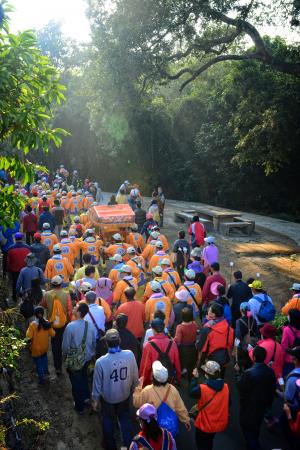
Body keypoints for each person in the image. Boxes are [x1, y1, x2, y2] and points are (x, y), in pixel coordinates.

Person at [92, 329, 139, 450]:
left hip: (108, 399)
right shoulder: (129, 354)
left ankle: (111, 445)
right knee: (125, 420)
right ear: (120, 341)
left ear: (106, 343)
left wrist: (95, 400)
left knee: (107, 422)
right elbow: (135, 377)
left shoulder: (100, 362)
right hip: (124, 395)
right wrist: (134, 390)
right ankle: (128, 445)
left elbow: (97, 385)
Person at [133, 361, 190, 436]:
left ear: (153, 377)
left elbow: (136, 403)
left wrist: (138, 388)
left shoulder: (147, 390)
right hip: (170, 429)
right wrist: (186, 420)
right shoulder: (172, 389)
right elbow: (180, 408)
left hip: (154, 427)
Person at [237, 346, 276, 450]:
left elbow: (240, 387)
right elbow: (272, 389)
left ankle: (253, 445)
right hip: (262, 405)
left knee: (246, 427)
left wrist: (238, 373)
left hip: (249, 406)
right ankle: (252, 443)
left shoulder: (249, 373)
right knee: (256, 426)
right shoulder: (270, 372)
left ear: (253, 357)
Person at [62, 303, 95, 414]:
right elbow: (93, 342)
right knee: (84, 377)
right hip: (87, 358)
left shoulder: (70, 326)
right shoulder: (89, 325)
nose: (74, 309)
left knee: (76, 383)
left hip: (75, 359)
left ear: (79, 312)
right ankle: (86, 399)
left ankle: (79, 407)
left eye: (75, 308)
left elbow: (65, 346)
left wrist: (65, 358)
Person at [190, 361, 229, 450]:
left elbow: (191, 392)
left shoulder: (203, 388)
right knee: (209, 441)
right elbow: (228, 402)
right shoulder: (226, 387)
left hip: (204, 423)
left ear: (206, 374)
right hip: (217, 422)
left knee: (201, 442)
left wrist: (194, 378)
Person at [41, 275, 72, 375]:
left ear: (52, 284)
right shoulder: (66, 294)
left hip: (52, 323)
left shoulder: (46, 294)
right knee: (65, 342)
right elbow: (69, 310)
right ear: (61, 284)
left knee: (55, 344)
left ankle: (57, 367)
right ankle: (67, 363)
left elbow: (43, 305)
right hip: (64, 323)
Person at [139, 318, 181, 387]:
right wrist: (178, 378)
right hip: (169, 379)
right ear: (164, 328)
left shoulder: (148, 345)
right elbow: (177, 363)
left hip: (153, 382)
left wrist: (142, 383)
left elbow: (145, 367)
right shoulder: (172, 343)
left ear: (153, 329)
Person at [196, 302, 234, 377]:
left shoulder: (207, 329)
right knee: (220, 376)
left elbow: (200, 347)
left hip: (210, 358)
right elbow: (229, 344)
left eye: (209, 311)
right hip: (223, 357)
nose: (208, 311)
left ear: (213, 315)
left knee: (210, 378)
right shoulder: (229, 329)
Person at [26, 306, 55, 385]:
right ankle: (46, 373)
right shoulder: (47, 323)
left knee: (39, 364)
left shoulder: (32, 325)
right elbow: (53, 334)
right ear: (43, 313)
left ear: (35, 315)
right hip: (45, 347)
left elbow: (28, 337)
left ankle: (42, 379)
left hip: (36, 349)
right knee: (44, 360)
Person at [174, 307, 199, 381]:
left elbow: (178, 340)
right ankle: (190, 379)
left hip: (183, 349)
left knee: (182, 362)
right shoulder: (194, 324)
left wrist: (172, 339)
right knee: (191, 364)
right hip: (193, 348)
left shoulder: (180, 327)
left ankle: (181, 374)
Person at [235, 302, 259, 372]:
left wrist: (237, 347)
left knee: (241, 363)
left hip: (243, 347)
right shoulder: (254, 320)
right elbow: (257, 334)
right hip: (252, 346)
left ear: (241, 310)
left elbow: (238, 336)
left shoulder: (239, 321)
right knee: (250, 363)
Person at [7, 232, 31, 302]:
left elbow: (8, 261)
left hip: (14, 270)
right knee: (26, 283)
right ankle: (27, 298)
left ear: (15, 239)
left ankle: (15, 298)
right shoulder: (27, 247)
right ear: (22, 238)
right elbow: (30, 259)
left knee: (15, 283)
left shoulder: (10, 248)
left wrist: (8, 270)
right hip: (25, 269)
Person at [281, 309, 300, 377]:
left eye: (288, 315)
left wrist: (281, 361)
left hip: (290, 361)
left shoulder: (287, 330)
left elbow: (284, 347)